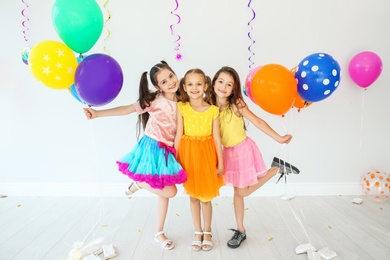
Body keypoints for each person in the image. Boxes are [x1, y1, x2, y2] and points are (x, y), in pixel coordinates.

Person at [84, 61, 186, 250]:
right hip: (151, 147)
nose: (171, 82)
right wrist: (97, 114)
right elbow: (126, 109)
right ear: (157, 87)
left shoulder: (183, 99)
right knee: (170, 191)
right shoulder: (155, 100)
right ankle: (139, 183)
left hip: (168, 150)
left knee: (164, 192)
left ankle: (159, 233)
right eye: (164, 82)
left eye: (171, 76)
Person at [210, 66, 299, 249]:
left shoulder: (237, 104)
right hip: (227, 153)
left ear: (234, 88)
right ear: (213, 82)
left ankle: (275, 169)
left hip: (242, 150)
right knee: (237, 193)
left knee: (242, 192)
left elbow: (258, 121)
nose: (223, 87)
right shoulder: (208, 106)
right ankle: (240, 230)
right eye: (220, 81)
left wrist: (279, 138)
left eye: (229, 84)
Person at [174, 68, 224, 252]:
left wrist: (221, 162)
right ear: (185, 87)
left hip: (206, 156)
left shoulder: (213, 110)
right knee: (193, 197)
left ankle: (208, 231)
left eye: (198, 84)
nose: (194, 88)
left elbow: (217, 138)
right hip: (188, 157)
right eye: (190, 84)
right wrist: (175, 159)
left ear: (205, 86)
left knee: (205, 198)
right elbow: (179, 134)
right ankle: (197, 231)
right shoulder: (182, 108)